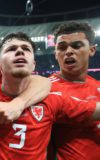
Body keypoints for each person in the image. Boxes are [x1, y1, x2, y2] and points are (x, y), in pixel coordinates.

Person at [47, 22, 100, 160]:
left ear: (92, 50)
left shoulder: (98, 86)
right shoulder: (46, 89)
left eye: (76, 46)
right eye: (62, 47)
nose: (69, 51)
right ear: (55, 54)